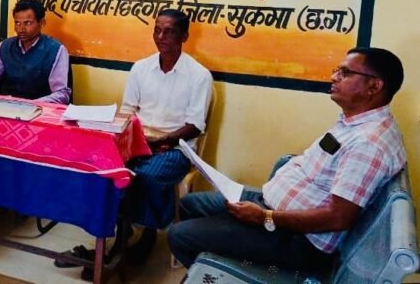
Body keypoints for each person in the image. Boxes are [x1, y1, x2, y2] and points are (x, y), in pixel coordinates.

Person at [167, 47, 407, 271]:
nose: (334, 77)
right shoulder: (354, 123)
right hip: (272, 207)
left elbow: (338, 217)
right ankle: (218, 260)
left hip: (298, 239)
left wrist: (265, 217)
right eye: (337, 70)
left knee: (180, 236)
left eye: (344, 73)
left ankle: (223, 267)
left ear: (374, 86)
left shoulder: (368, 144)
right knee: (190, 204)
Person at [57, 9, 213, 278]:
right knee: (106, 170)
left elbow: (195, 125)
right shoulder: (141, 68)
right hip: (139, 139)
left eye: (169, 32)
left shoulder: (199, 76)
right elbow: (128, 110)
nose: (161, 37)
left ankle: (137, 238)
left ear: (184, 36)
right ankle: (118, 235)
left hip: (176, 147)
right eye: (157, 30)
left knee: (145, 176)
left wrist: (163, 140)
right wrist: (129, 137)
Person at [0, 0, 71, 104]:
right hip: (6, 109)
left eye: (27, 23)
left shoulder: (56, 50)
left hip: (40, 110)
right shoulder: (4, 47)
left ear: (41, 23)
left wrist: (30, 105)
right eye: (17, 23)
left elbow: (61, 95)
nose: (21, 29)